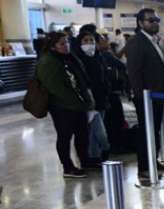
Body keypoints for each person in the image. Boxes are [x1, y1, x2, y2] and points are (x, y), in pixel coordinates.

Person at [36, 31, 95, 178]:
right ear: (53, 46)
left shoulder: (69, 57)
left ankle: (85, 160)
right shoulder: (48, 61)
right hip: (61, 107)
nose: (66, 45)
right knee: (65, 136)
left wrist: (84, 100)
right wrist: (77, 101)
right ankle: (67, 167)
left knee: (83, 134)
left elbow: (80, 79)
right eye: (62, 43)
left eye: (67, 42)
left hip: (78, 104)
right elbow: (56, 88)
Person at [125, 8, 164, 184]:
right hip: (145, 97)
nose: (154, 23)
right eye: (150, 20)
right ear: (140, 23)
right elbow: (134, 73)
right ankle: (144, 168)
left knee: (155, 130)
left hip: (157, 94)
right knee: (146, 132)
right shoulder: (137, 42)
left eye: (156, 20)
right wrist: (140, 97)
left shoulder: (153, 41)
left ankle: (153, 160)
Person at [74, 31, 112, 165]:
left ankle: (95, 157)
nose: (89, 44)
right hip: (88, 102)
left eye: (91, 41)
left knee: (94, 133)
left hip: (101, 99)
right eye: (85, 41)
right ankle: (105, 150)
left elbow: (104, 77)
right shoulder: (77, 60)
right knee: (99, 133)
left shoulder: (99, 57)